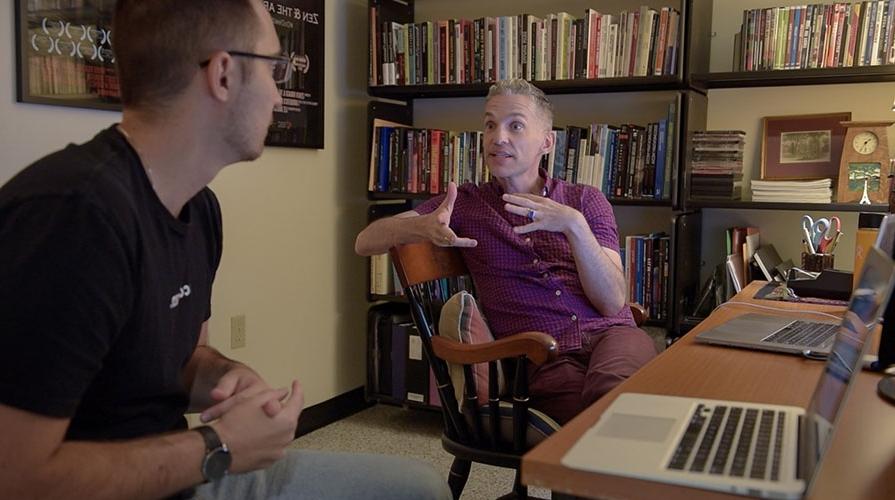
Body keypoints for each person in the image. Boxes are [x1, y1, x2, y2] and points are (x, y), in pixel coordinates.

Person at [0, 1, 450, 499]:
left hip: (182, 473)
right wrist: (218, 446)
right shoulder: (73, 218)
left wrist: (226, 374)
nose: (279, 96)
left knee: (418, 488)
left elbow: (182, 356)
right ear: (223, 74)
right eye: (273, 69)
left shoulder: (200, 209)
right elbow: (17, 476)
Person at [355, 79, 657, 424]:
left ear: (547, 141)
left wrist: (574, 226)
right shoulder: (466, 204)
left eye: (515, 125)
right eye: (489, 124)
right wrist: (420, 227)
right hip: (543, 355)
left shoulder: (585, 201)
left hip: (613, 337)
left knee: (615, 397)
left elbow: (611, 302)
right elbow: (365, 241)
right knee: (592, 428)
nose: (498, 137)